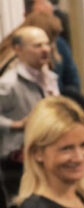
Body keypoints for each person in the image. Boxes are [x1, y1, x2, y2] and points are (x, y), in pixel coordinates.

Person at [0, 25, 58, 196]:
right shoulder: (8, 84)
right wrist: (14, 124)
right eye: (37, 46)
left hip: (49, 154)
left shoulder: (50, 77)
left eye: (47, 44)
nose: (45, 50)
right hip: (19, 161)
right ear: (18, 49)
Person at [23, 0, 81, 99]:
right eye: (42, 15)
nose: (47, 20)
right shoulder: (17, 47)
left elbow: (72, 80)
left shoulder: (60, 44)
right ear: (27, 16)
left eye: (50, 15)